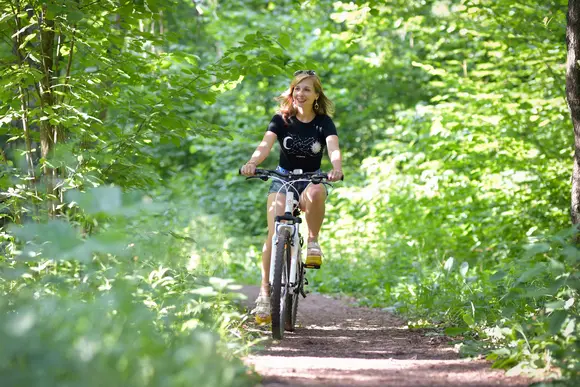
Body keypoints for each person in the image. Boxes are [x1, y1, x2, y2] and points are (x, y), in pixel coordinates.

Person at [240, 70, 343, 323]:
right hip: (283, 177)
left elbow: (333, 148)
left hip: (312, 178)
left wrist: (337, 168)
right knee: (274, 233)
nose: (300, 93)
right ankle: (265, 293)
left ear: (316, 95)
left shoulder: (323, 123)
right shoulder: (281, 119)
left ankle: (313, 241)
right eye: (297, 88)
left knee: (317, 192)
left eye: (307, 89)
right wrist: (252, 162)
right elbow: (265, 145)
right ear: (291, 92)